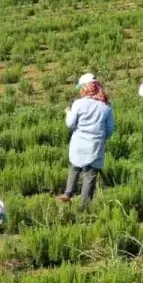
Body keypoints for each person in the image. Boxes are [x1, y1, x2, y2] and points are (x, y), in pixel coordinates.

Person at [58, 78, 115, 207]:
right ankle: (83, 207)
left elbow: (70, 123)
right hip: (95, 145)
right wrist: (101, 137)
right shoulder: (105, 107)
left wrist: (68, 112)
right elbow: (110, 128)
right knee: (90, 175)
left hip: (78, 143)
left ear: (85, 89)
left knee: (75, 166)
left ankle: (68, 193)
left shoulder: (78, 103)